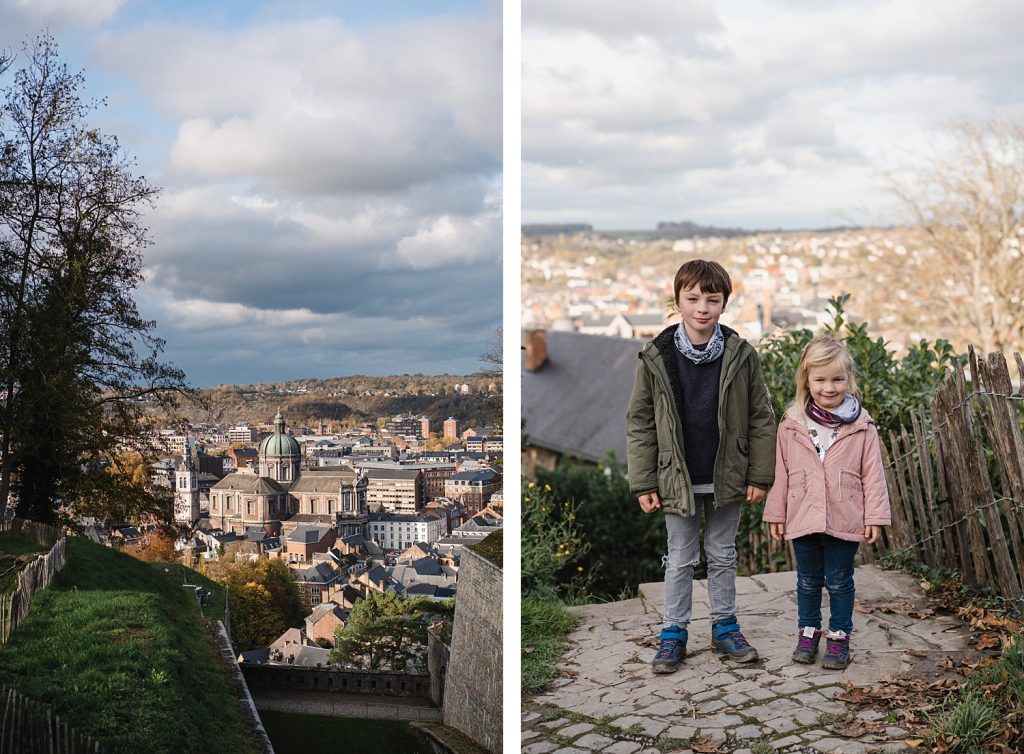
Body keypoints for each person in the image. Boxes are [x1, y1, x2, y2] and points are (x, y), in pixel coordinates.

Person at [626, 259, 777, 673]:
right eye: (693, 298)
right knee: (680, 558)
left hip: (727, 472)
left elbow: (762, 416)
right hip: (677, 476)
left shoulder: (741, 354)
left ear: (724, 303)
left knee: (723, 554)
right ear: (677, 301)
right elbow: (639, 421)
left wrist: (760, 474)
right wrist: (644, 481)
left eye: (712, 299)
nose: (702, 308)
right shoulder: (657, 356)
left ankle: (724, 626)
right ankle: (673, 633)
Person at [762, 335, 890, 670]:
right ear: (806, 379)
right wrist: (776, 512)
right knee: (807, 580)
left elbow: (873, 474)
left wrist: (874, 516)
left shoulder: (862, 427)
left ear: (849, 379)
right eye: (820, 379)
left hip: (845, 516)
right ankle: (808, 632)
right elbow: (782, 472)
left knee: (839, 580)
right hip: (803, 515)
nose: (829, 388)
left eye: (837, 379)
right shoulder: (791, 425)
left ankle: (839, 637)